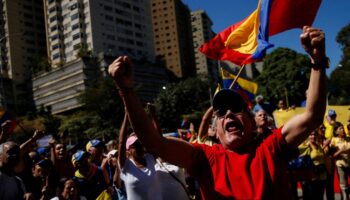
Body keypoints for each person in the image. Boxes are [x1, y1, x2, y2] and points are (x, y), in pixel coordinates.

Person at [108, 26, 327, 199]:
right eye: (220, 112)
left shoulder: (271, 147)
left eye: (236, 108)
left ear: (251, 122)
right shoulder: (205, 158)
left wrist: (316, 61)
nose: (229, 113)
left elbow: (312, 116)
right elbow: (153, 143)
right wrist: (126, 90)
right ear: (215, 130)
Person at [118, 112, 161, 200]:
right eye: (135, 146)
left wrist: (153, 116)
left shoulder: (149, 159)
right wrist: (126, 115)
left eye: (140, 144)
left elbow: (158, 139)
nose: (139, 147)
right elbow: (121, 142)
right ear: (128, 150)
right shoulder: (126, 165)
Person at [329, 122, 350, 200]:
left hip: (349, 164)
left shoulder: (348, 138)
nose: (343, 130)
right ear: (336, 131)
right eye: (340, 128)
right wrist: (340, 151)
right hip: (340, 165)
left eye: (343, 128)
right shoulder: (333, 141)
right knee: (343, 187)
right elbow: (332, 156)